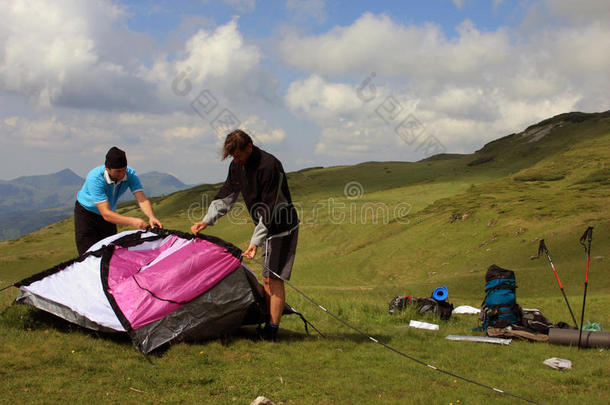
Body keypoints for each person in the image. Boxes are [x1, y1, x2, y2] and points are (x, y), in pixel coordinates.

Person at [191, 130, 299, 342]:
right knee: (266, 279)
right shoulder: (237, 165)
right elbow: (227, 194)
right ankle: (267, 323)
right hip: (265, 226)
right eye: (233, 157)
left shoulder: (270, 166)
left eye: (238, 155)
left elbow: (270, 207)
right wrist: (207, 219)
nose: (236, 160)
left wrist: (254, 242)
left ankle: (272, 331)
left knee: (273, 279)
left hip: (281, 226)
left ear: (249, 147)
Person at [74, 146, 163, 255]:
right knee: (88, 254)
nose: (122, 174)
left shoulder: (130, 174)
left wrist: (151, 216)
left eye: (124, 170)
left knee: (111, 252)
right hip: (86, 214)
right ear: (107, 169)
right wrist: (133, 221)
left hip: (110, 214)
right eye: (118, 171)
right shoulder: (95, 178)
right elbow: (105, 214)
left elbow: (141, 198)